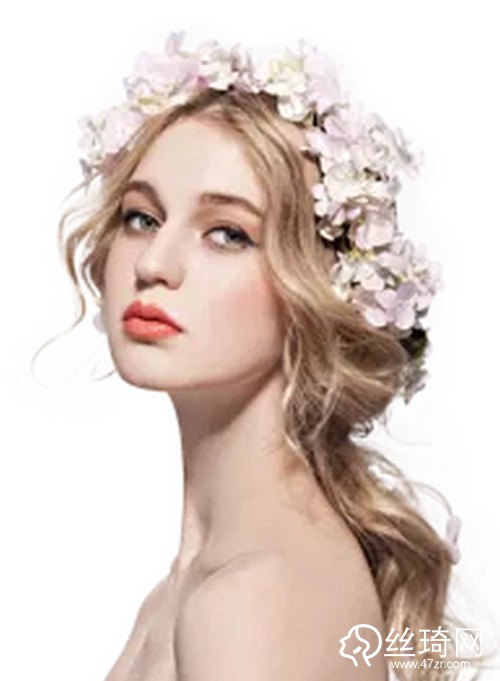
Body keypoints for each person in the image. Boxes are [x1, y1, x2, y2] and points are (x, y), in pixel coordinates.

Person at [52, 31, 487, 680]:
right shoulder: (194, 589)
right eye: (142, 217)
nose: (154, 263)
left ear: (316, 286)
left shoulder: (254, 597)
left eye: (227, 233)